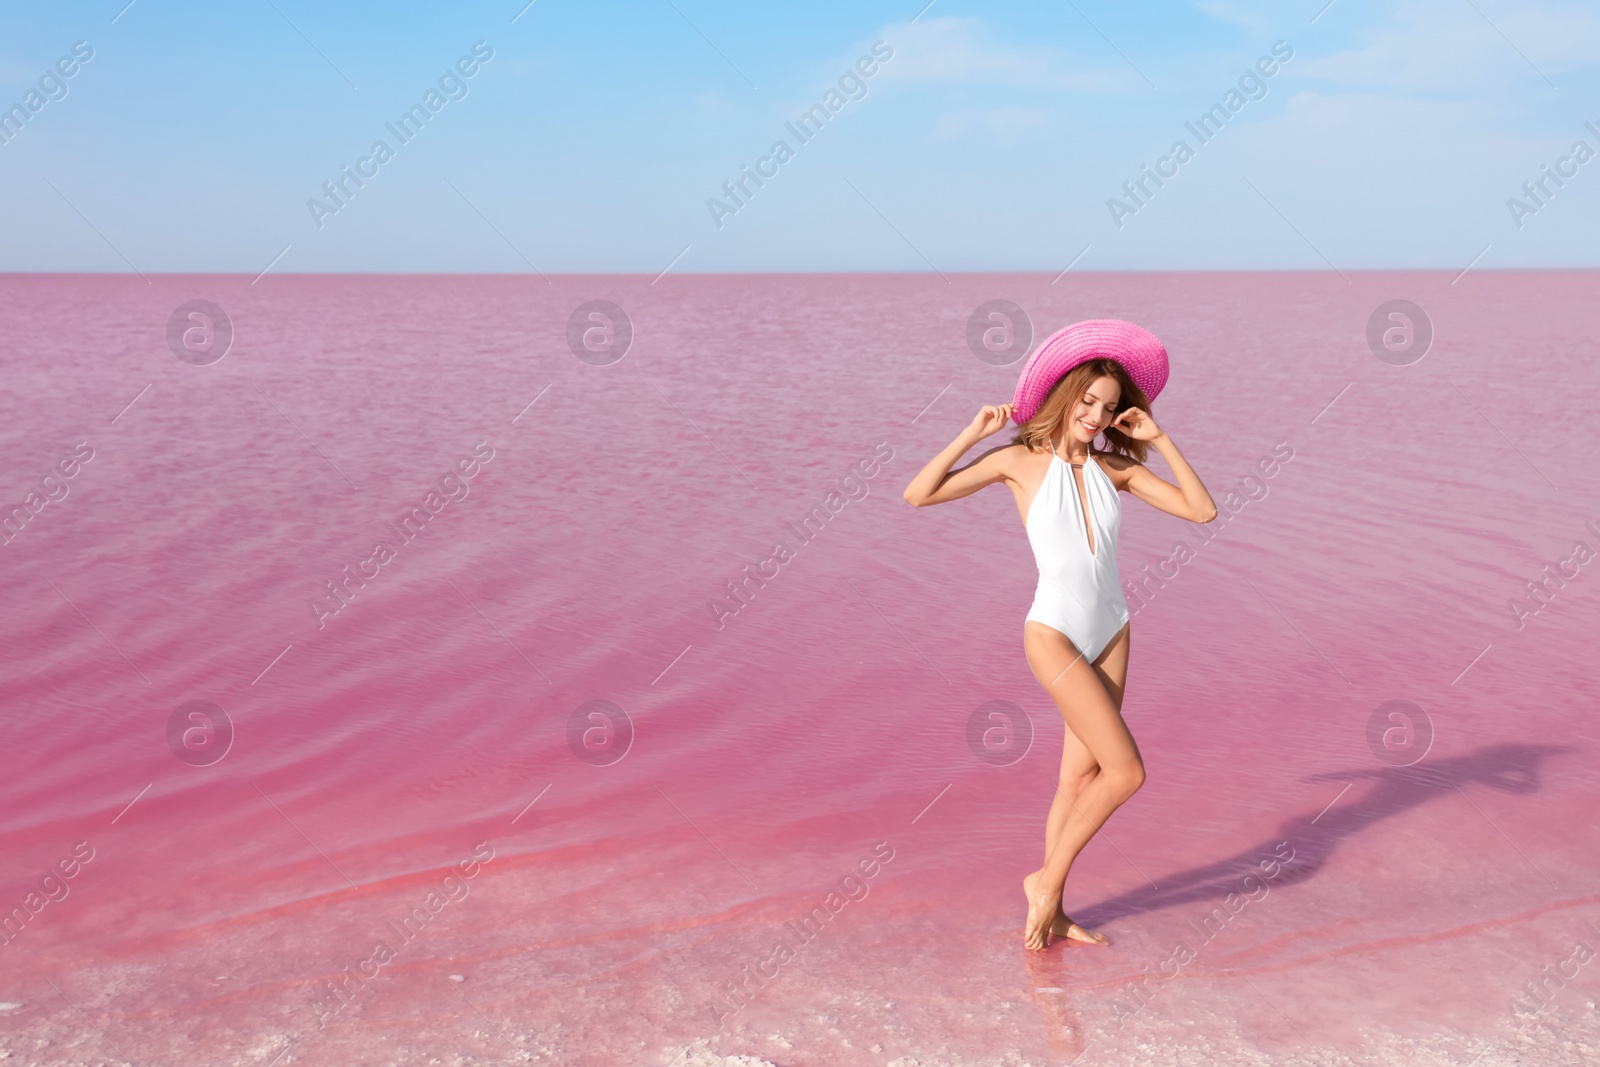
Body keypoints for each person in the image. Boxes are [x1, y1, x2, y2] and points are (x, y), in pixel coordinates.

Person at [902, 320, 1217, 950]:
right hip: (1054, 631)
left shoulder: (1118, 470)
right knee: (1126, 772)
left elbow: (1200, 510)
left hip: (1114, 629)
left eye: (1108, 407)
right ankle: (1043, 883)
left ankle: (1054, 911)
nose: (1095, 415)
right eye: (1088, 402)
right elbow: (919, 494)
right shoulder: (1017, 461)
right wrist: (973, 432)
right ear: (1065, 397)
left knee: (1079, 778)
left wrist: (1161, 438)